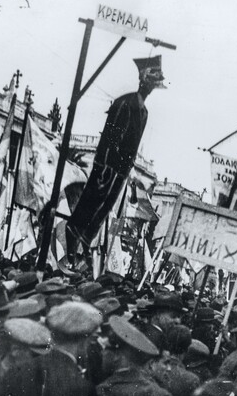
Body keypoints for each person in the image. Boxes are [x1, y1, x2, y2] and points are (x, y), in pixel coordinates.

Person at [65, 55, 166, 267]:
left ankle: (85, 241)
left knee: (105, 207)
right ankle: (73, 236)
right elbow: (110, 138)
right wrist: (104, 166)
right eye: (151, 84)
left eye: (154, 86)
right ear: (142, 81)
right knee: (91, 202)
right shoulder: (124, 103)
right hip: (107, 166)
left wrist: (126, 171)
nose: (151, 89)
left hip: (120, 170)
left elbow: (134, 145)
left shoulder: (144, 112)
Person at [97, 316, 175, 396]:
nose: (102, 353)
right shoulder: (160, 395)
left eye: (106, 349)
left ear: (117, 355)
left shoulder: (103, 391)